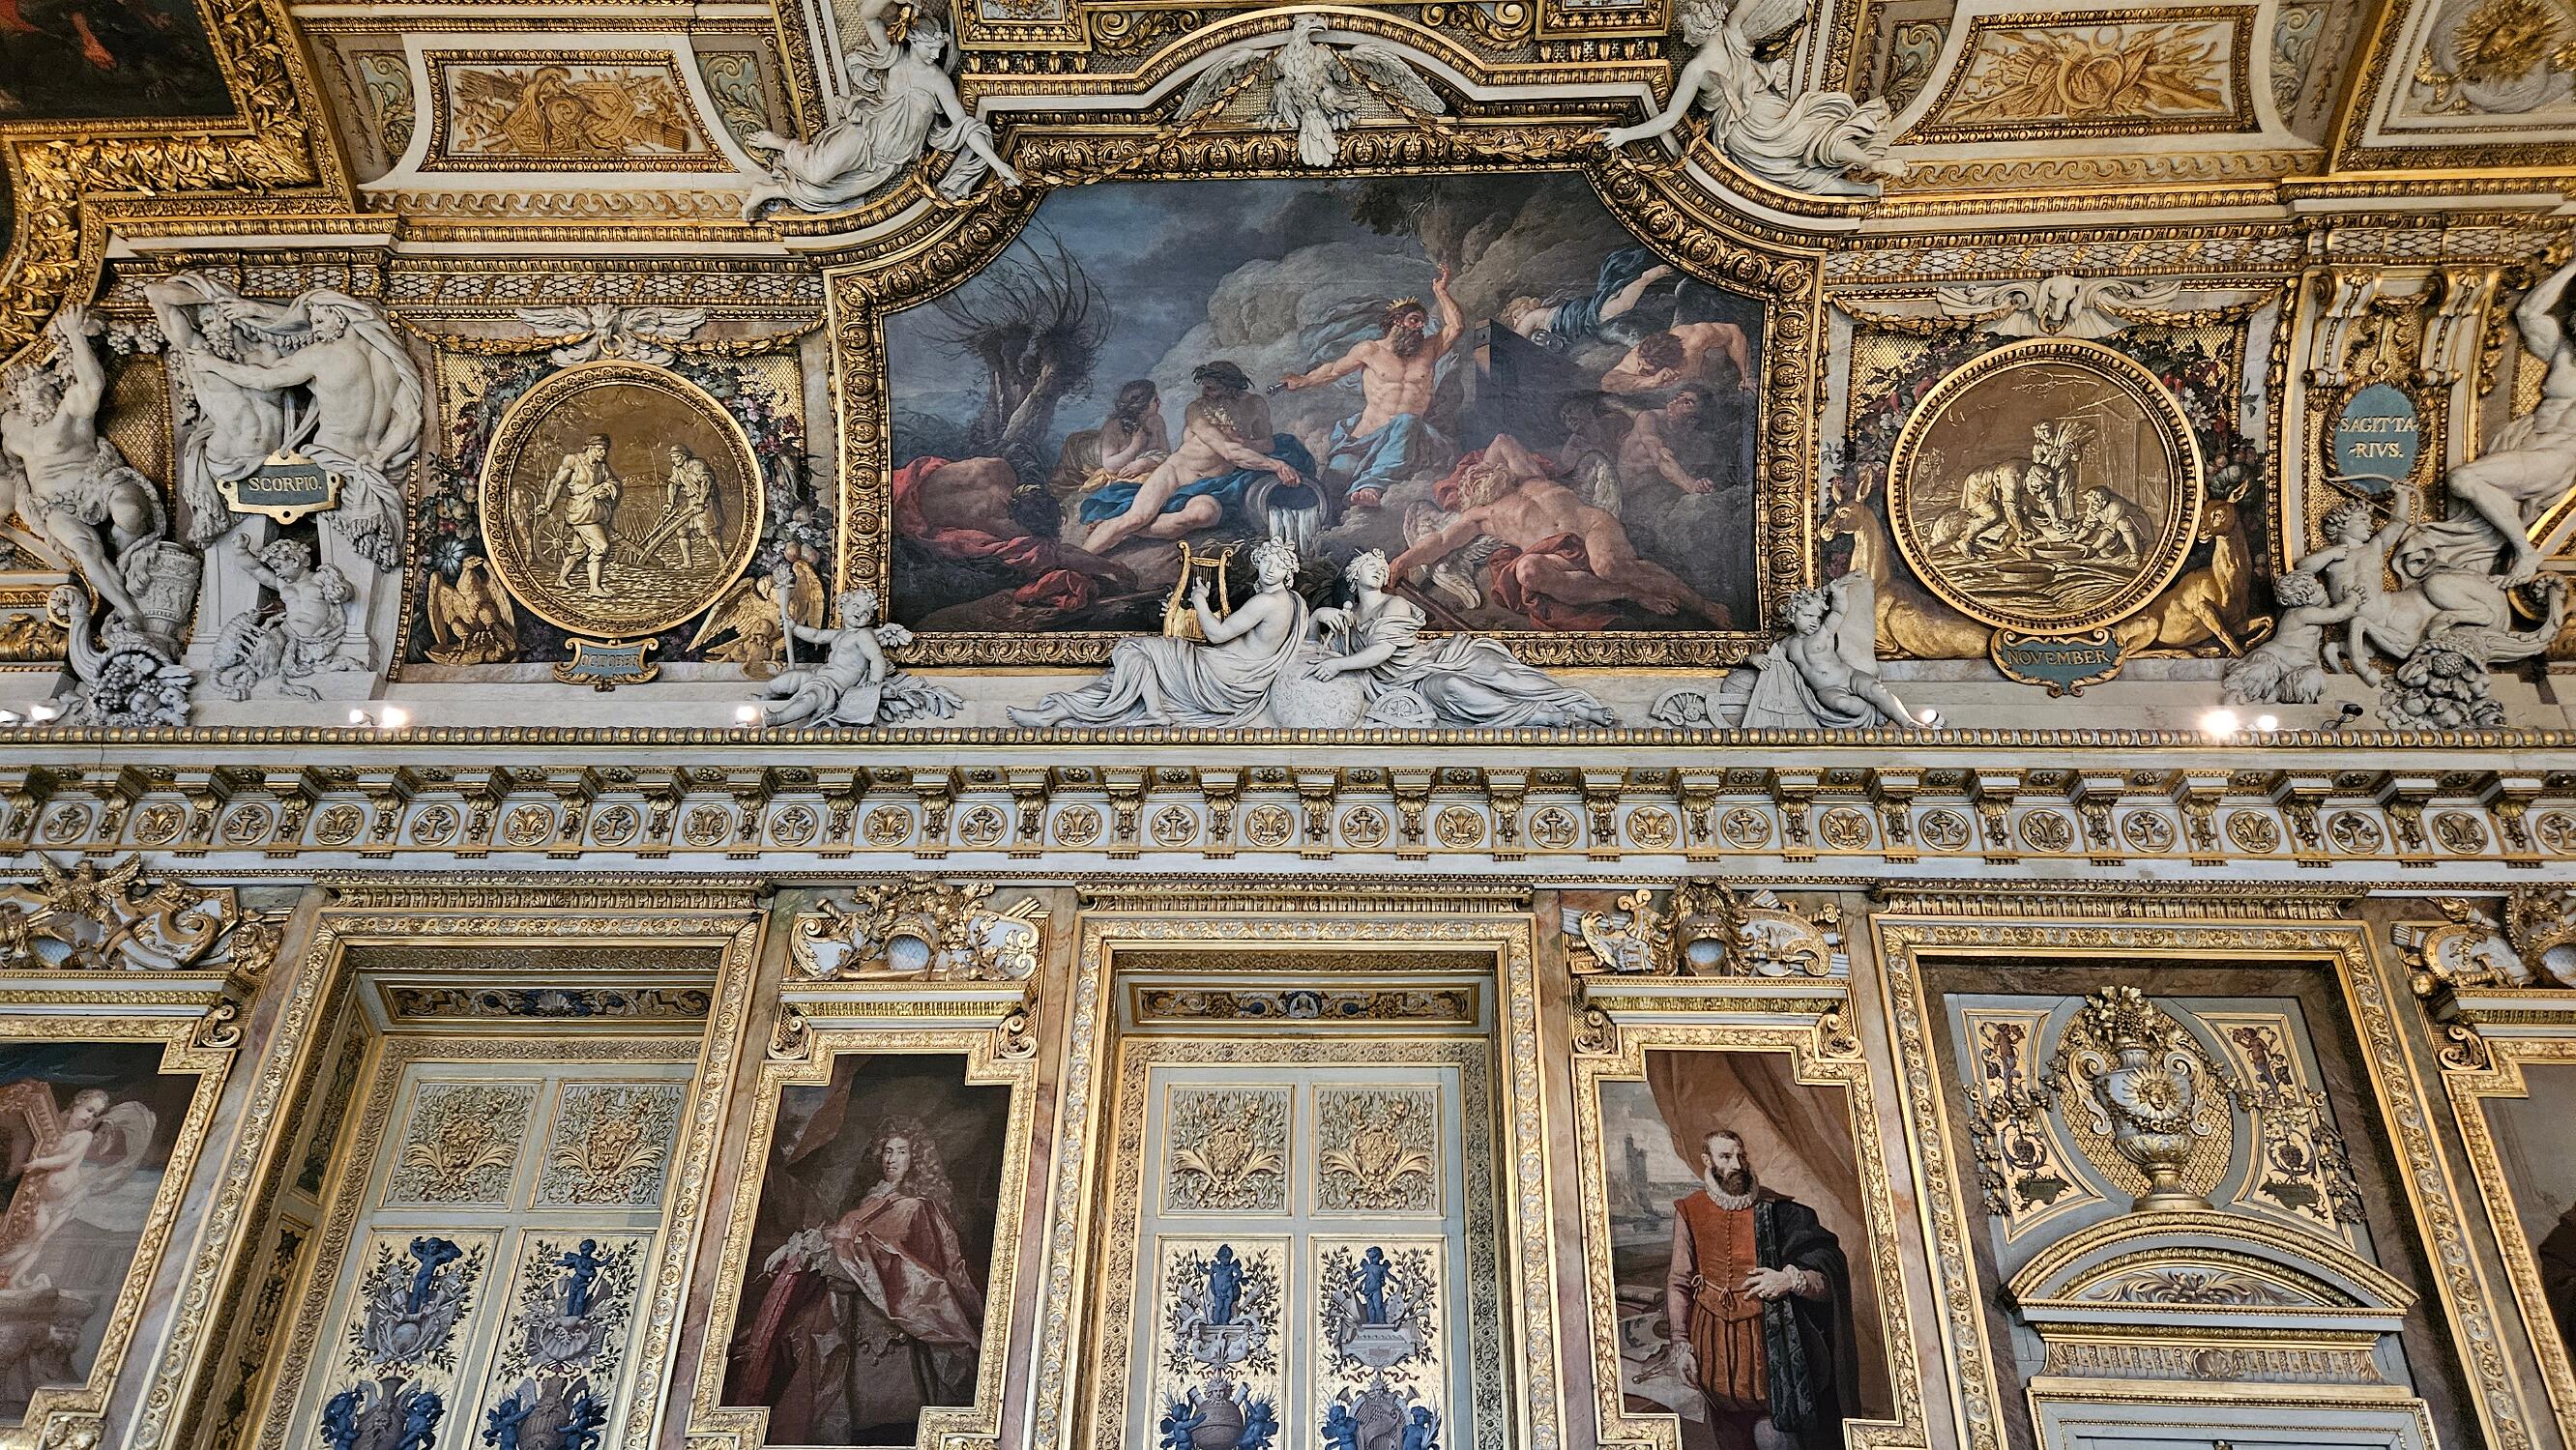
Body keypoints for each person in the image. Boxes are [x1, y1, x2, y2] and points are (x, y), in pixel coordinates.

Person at [724, 1117, 986, 1443]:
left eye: (901, 1152)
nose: (891, 1159)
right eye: (887, 1151)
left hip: (898, 1327)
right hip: (854, 1320)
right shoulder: (867, 1204)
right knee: (850, 1418)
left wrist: (823, 1251)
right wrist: (798, 1248)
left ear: (914, 1159)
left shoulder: (917, 1208)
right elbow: (841, 1241)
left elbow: (900, 1262)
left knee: (898, 1422)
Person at [1394, 434, 1732, 628]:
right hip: (1555, 555)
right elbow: (1440, 541)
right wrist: (1401, 563)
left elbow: (1501, 440)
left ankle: (1703, 605)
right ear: (1469, 494)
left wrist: (1484, 463)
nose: (1478, 474)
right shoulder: (1481, 516)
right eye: (1472, 478)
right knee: (1527, 571)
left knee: (1607, 565)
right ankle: (1630, 593)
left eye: (1481, 470)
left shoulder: (1528, 476)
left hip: (1592, 526)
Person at [1656, 1130, 1855, 1450]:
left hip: (1770, 1349)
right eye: (1726, 1157)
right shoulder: (1689, 1210)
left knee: (1778, 1439)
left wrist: (1790, 1279)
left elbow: (1828, 1272)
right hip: (1711, 1349)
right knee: (1730, 1437)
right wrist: (1681, 1344)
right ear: (1707, 1160)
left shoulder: (1781, 1212)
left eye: (1741, 1156)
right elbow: (1679, 1279)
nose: (1737, 1164)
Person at [740, 0, 1019, 217]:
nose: (936, 55)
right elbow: (867, 14)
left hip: (889, 163)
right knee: (817, 173)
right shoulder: (893, 58)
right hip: (865, 135)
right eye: (931, 48)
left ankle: (769, 191)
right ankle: (781, 143)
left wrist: (998, 164)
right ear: (914, 40)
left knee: (831, 195)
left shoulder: (939, 82)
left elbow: (965, 127)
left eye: (938, 49)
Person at [1009, 537, 1309, 727]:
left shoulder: (1266, 602)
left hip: (1220, 677)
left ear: (1289, 572)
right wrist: (1323, 613)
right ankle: (1053, 714)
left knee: (1130, 651)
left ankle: (1153, 711)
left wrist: (1200, 600)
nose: (1270, 569)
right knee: (1129, 671)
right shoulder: (1289, 601)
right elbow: (1241, 635)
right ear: (1258, 563)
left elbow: (1218, 634)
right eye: (1266, 561)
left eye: (1279, 565)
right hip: (1223, 671)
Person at [1310, 550, 1615, 727]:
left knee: (1508, 677)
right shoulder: (1346, 620)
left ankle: (1580, 708)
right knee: (1451, 687)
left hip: (1445, 657)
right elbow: (1309, 651)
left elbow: (1383, 650)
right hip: (1413, 685)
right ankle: (1542, 715)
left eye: (1381, 567)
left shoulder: (1395, 605)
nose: (1379, 570)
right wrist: (1317, 616)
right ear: (1353, 576)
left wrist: (1340, 665)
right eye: (1371, 566)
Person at [0, 305, 165, 625]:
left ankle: (130, 564)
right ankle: (129, 610)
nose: (35, 396)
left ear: (53, 387)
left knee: (130, 513)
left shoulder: (68, 413)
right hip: (52, 506)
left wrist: (75, 335)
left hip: (97, 484)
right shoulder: (10, 427)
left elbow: (91, 386)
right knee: (86, 551)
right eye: (26, 390)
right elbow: (9, 472)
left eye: (41, 388)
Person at [2434, 252, 2576, 584]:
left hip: (2559, 456)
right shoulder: (2563, 351)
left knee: (2463, 479)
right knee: (2468, 488)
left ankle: (2525, 550)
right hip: (2526, 441)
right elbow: (2527, 313)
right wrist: (2572, 266)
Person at [1078, 362, 1313, 554]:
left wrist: (1244, 442)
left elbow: (1267, 443)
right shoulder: (1197, 409)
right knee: (1135, 517)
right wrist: (1276, 465)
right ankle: (1080, 560)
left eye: (1211, 388)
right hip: (1177, 475)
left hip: (1215, 485)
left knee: (1204, 514)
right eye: (1204, 388)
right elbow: (1228, 452)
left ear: (1230, 388)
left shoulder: (1255, 405)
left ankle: (1130, 530)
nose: (1205, 394)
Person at [1282, 267, 1465, 509]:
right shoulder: (1370, 350)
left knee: (1407, 421)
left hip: (1407, 437)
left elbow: (1456, 327)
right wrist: (1303, 381)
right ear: (1397, 320)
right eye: (1414, 320)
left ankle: (1371, 485)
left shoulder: (1429, 349)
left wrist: (1441, 291)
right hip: (1365, 435)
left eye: (1422, 323)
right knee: (1333, 483)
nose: (1420, 327)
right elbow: (1333, 371)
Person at [1500, 249, 1676, 349]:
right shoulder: (1541, 316)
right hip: (1578, 315)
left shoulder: (1532, 316)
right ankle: (1643, 280)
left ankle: (1645, 279)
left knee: (1618, 307)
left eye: (1515, 315)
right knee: (1622, 304)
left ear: (1526, 305)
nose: (1516, 321)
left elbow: (1516, 340)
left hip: (1574, 318)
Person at [1050, 380, 1169, 497]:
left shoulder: (1157, 421)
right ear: (1142, 405)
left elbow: (1166, 453)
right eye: (1155, 400)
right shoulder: (1114, 426)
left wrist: (1147, 462)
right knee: (1068, 478)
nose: (1159, 402)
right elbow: (1109, 466)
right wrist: (1135, 447)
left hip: (1110, 452)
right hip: (1085, 454)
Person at [540, 436, 623, 597]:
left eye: (605, 450)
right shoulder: (573, 460)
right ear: (590, 447)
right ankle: (594, 588)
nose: (604, 453)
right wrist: (547, 505)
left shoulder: (602, 467)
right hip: (580, 513)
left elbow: (614, 483)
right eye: (600, 449)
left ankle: (561, 579)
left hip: (595, 513)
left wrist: (607, 491)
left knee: (579, 550)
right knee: (601, 546)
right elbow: (556, 483)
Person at [1617, 387, 1721, 498]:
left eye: (1687, 403)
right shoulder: (1650, 418)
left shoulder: (1693, 441)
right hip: (1623, 490)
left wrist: (1703, 485)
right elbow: (1661, 456)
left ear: (1695, 420)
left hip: (1654, 492)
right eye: (1678, 397)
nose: (1675, 402)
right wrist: (1691, 485)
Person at [1602, 324, 1755, 395]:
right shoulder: (1639, 355)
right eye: (1641, 365)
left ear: (1671, 366)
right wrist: (1650, 381)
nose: (1639, 370)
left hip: (1701, 372)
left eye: (1647, 370)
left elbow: (1733, 332)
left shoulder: (1695, 340)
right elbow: (1607, 382)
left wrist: (1746, 374)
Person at [662, 444, 723, 568]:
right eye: (672, 457)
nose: (673, 460)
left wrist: (701, 501)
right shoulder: (677, 469)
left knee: (708, 531)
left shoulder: (698, 464)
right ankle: (687, 562)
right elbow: (673, 485)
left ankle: (722, 557)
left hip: (706, 501)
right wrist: (670, 502)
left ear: (683, 456)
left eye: (675, 457)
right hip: (692, 502)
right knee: (681, 530)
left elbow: (707, 482)